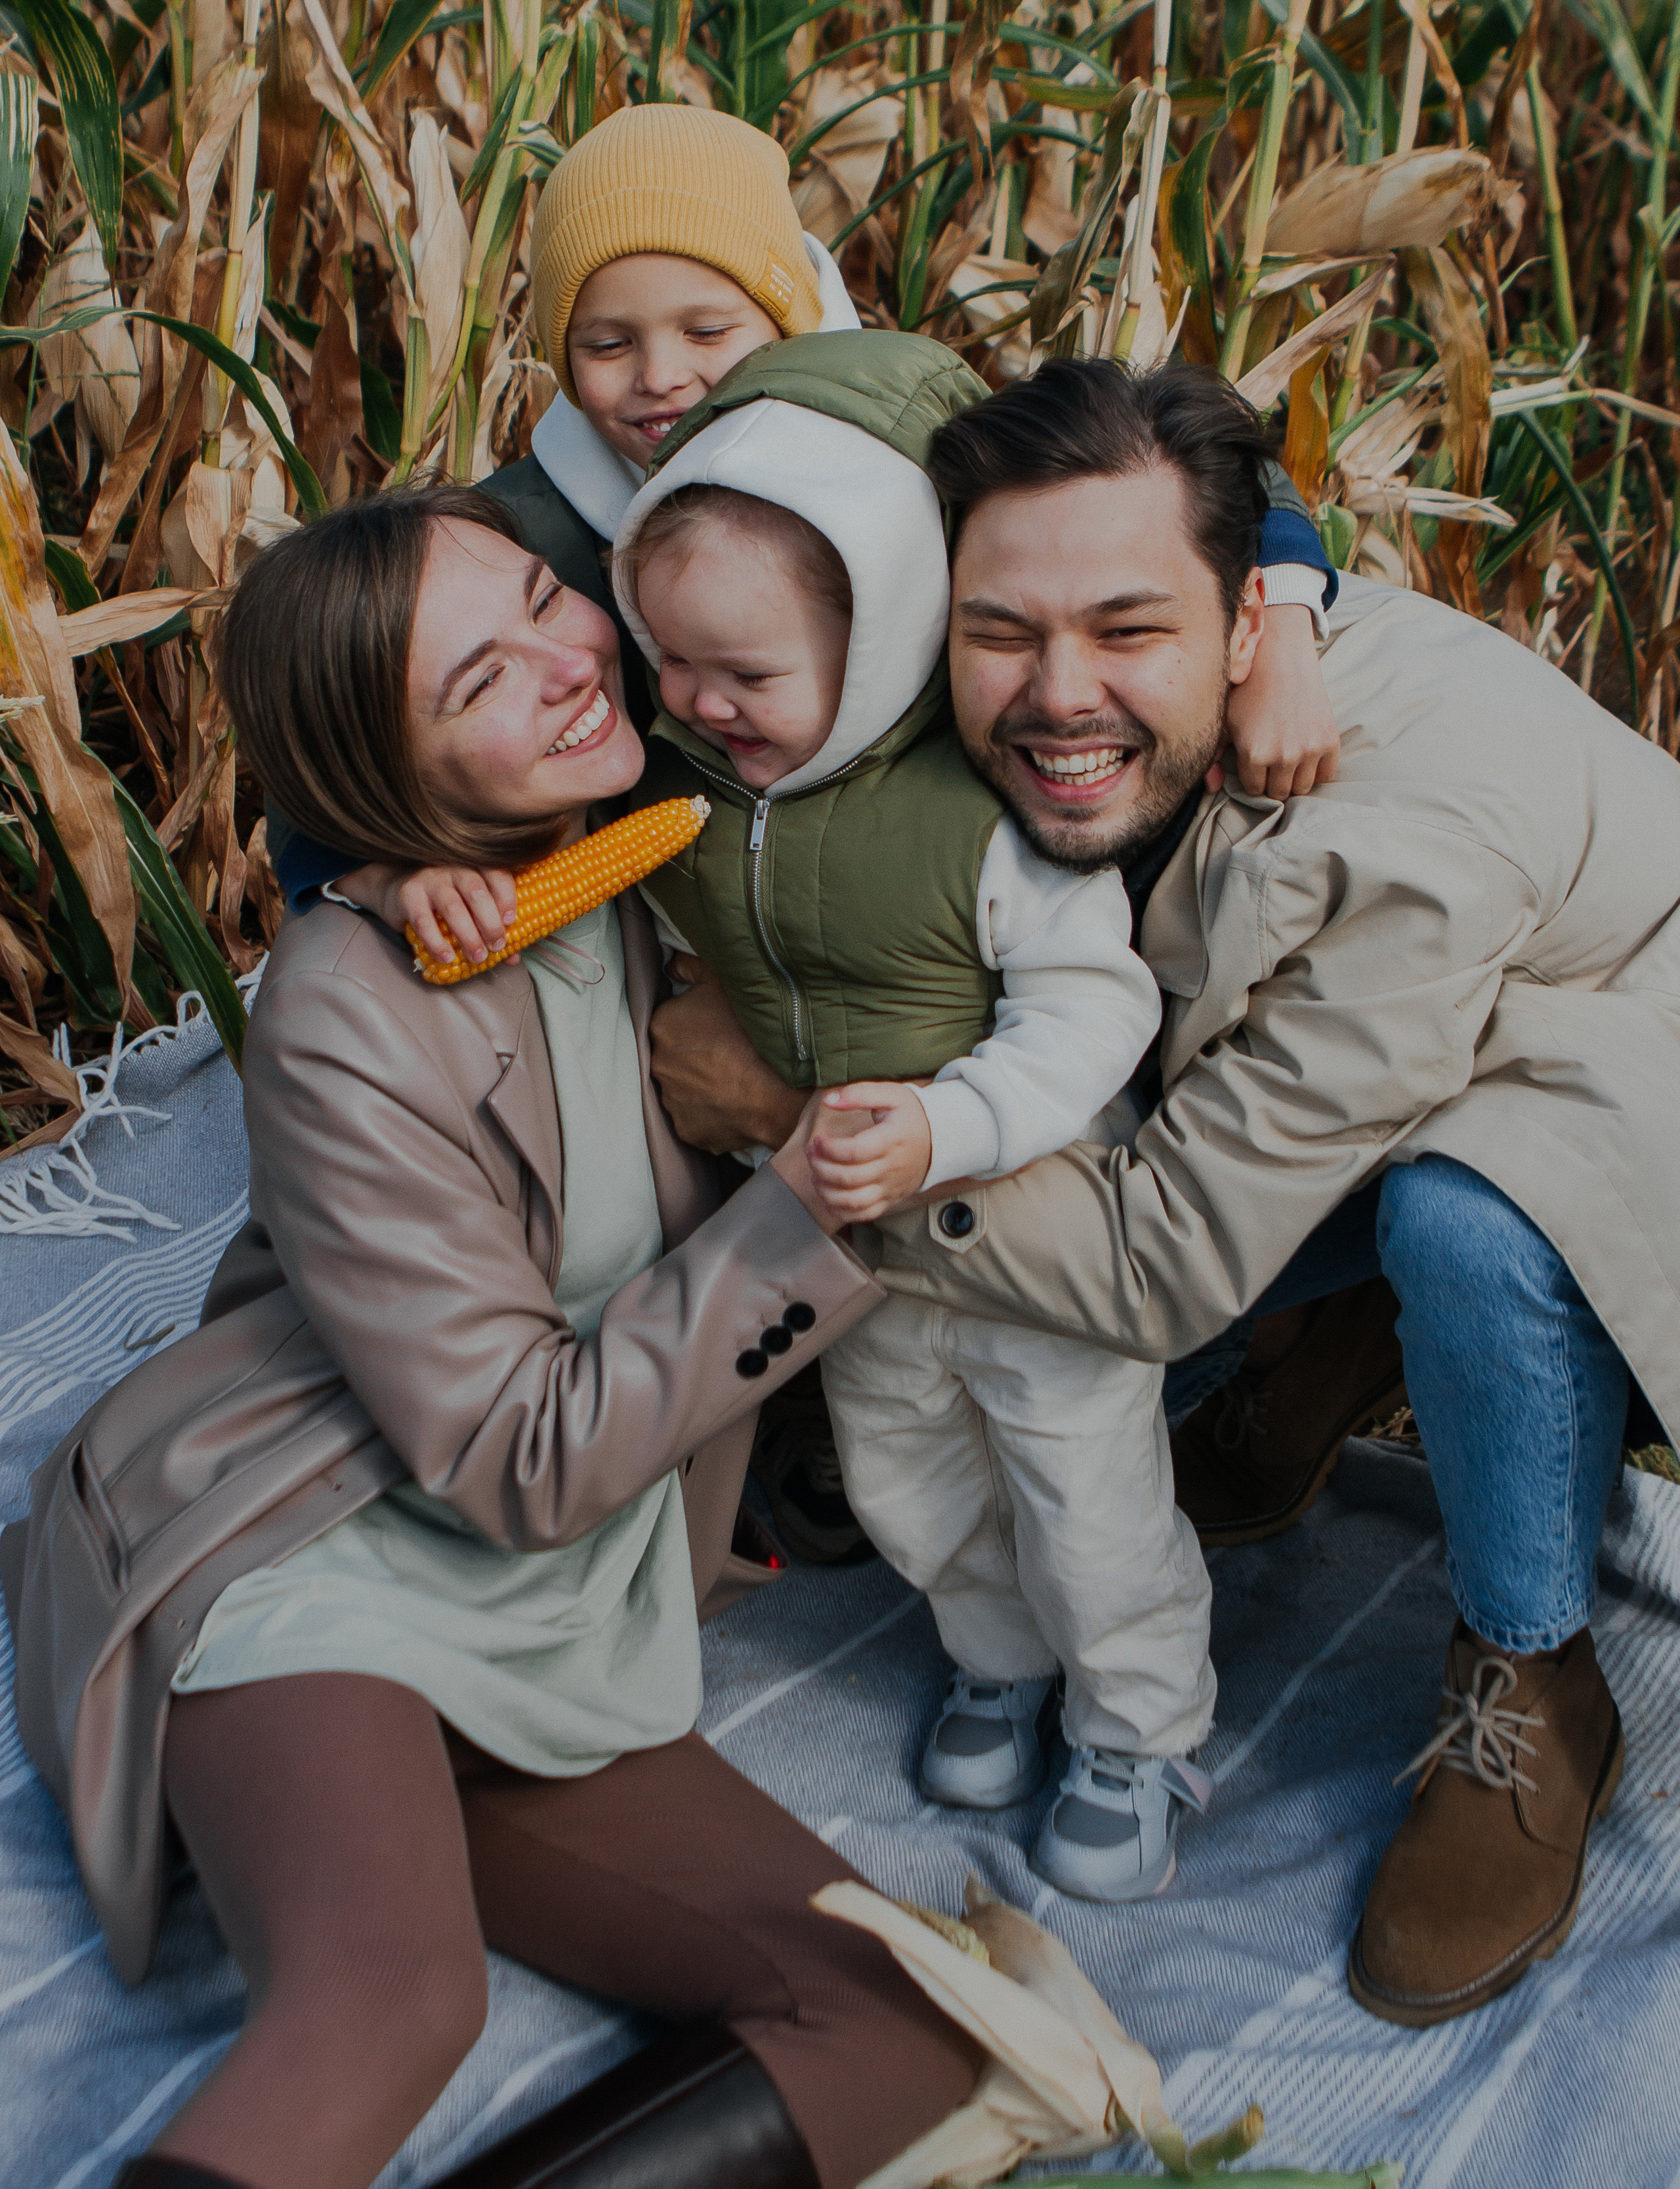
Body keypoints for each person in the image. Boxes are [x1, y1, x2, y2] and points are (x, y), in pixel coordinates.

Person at [652, 352, 1680, 2031]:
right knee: (1264, 1102)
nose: (1058, 692)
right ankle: (1328, 1341)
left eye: (1131, 632)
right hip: (1402, 1032)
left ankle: (1533, 1676)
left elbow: (1162, 1260)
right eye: (1006, 634)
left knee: (1469, 1220)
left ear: (1244, 627)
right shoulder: (1069, 636)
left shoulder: (1392, 846)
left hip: (1626, 1065)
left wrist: (797, 1124)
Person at [0, 483, 983, 2189]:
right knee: (391, 1996)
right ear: (388, 787)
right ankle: (71, 1567)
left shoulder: (673, 852)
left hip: (563, 1600)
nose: (562, 660)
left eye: (546, 594)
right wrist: (808, 1206)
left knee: (908, 2013)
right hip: (320, 1548)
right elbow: (516, 1458)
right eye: (478, 683)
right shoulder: (346, 1006)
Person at [272, 100, 1343, 1577]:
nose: (658, 379)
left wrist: (1279, 620)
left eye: (705, 325)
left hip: (976, 870)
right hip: (743, 899)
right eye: (605, 343)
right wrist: (380, 870)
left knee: (1069, 1178)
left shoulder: (901, 416)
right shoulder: (534, 521)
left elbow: (1200, 471)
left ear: (780, 300)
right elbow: (341, 716)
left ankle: (1255, 1351)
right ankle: (792, 1436)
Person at [612, 329, 1230, 1904]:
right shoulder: (685, 796)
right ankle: (996, 1658)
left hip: (1026, 1225)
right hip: (849, 1237)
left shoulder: (971, 813)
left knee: (1083, 1491)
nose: (698, 702)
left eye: (743, 677)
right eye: (671, 662)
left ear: (882, 639)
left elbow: (1099, 1011)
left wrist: (950, 1125)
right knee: (906, 1476)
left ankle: (1136, 1723)